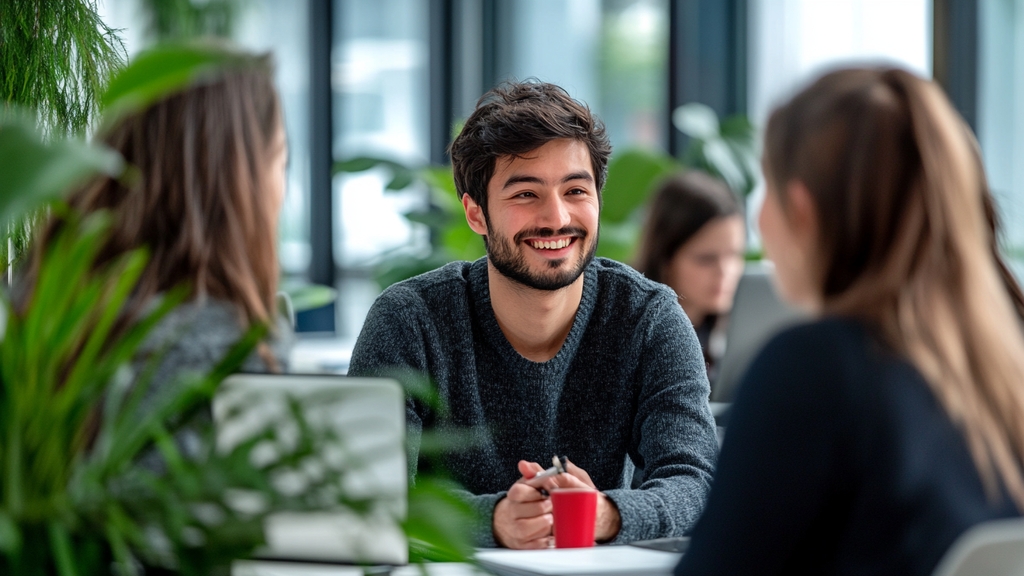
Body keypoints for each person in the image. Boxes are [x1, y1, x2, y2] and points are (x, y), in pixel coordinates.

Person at [675, 67, 1024, 576]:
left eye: (767, 188)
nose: (759, 220)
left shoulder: (816, 369)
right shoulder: (1001, 368)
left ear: (803, 208)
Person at [348, 80, 718, 549]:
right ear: (476, 213)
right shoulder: (409, 319)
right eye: (526, 194)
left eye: (576, 190)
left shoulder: (649, 317)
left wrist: (604, 513)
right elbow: (368, 494)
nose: (557, 217)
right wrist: (496, 519)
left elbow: (696, 481)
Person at [24, 48, 292, 388]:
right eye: (280, 161)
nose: (282, 188)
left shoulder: (31, 321)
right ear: (238, 184)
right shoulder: (234, 353)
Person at [634, 171, 745, 385]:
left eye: (734, 255)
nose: (725, 272)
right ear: (665, 259)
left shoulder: (726, 331)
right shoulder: (635, 336)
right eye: (706, 259)